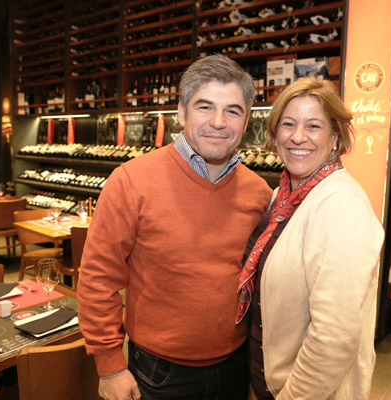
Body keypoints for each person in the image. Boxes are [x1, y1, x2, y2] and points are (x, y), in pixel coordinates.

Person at [78, 54, 273, 400]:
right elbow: (98, 277)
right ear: (181, 113)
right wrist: (110, 366)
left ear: (246, 122)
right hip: (160, 374)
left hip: (236, 366)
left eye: (232, 111)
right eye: (204, 107)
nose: (218, 122)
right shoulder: (131, 181)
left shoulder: (259, 193)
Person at [236, 78, 385, 399]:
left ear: (335, 137)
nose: (297, 136)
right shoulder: (284, 196)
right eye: (288, 124)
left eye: (313, 126)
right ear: (275, 132)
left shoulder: (341, 204)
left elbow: (334, 338)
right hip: (270, 384)